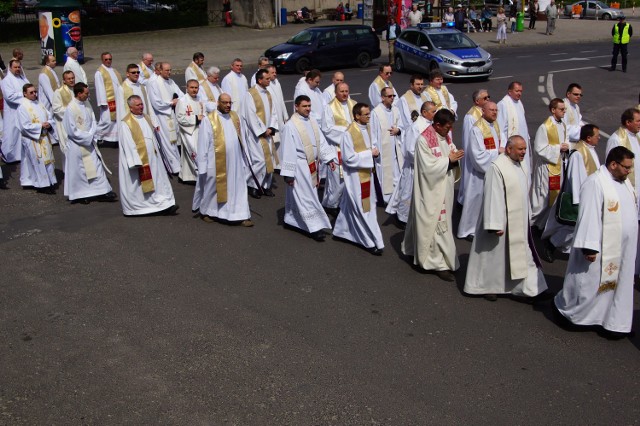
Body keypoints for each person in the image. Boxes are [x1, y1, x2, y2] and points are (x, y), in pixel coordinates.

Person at [554, 146, 637, 339]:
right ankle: (573, 316)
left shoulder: (624, 182)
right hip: (600, 247)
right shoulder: (596, 183)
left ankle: (615, 322)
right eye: (626, 167)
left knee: (619, 286)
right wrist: (589, 246)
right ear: (613, 164)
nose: (629, 171)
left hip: (623, 249)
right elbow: (588, 215)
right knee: (589, 285)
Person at [464, 136, 548, 301]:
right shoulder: (497, 167)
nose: (524, 152)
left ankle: (532, 288)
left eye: (525, 149)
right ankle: (486, 286)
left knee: (524, 254)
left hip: (518, 220)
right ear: (509, 149)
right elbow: (492, 196)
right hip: (501, 221)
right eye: (520, 149)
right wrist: (494, 224)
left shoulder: (520, 163)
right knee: (493, 257)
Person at [402, 109, 463, 281]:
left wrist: (455, 156)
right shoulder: (423, 140)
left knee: (439, 224)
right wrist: (449, 161)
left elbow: (449, 151)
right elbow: (427, 167)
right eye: (447, 127)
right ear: (437, 125)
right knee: (435, 224)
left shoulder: (446, 136)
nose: (449, 131)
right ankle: (436, 263)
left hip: (444, 187)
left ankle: (415, 250)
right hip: (430, 190)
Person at [281, 95, 336, 241]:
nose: (308, 109)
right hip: (299, 167)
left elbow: (321, 142)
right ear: (296, 107)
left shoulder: (312, 121)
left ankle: (291, 219)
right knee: (307, 198)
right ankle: (314, 227)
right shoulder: (290, 125)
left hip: (312, 165)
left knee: (299, 195)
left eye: (309, 106)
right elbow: (287, 150)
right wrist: (289, 174)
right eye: (304, 106)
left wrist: (329, 158)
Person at [541, 124, 601, 259]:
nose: (599, 138)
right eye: (597, 136)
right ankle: (551, 244)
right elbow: (575, 178)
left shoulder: (590, 149)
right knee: (573, 227)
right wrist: (578, 200)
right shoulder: (578, 153)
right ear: (589, 137)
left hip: (590, 195)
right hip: (579, 196)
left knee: (580, 227)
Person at [333, 102, 384, 255]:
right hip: (355, 176)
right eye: (366, 114)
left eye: (369, 113)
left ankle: (341, 231)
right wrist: (370, 154)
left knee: (355, 205)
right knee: (362, 208)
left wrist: (376, 152)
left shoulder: (367, 127)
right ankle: (368, 241)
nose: (369, 116)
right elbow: (348, 158)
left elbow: (373, 144)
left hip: (367, 173)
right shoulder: (348, 133)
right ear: (357, 116)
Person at [195, 93, 253, 225]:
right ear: (218, 103)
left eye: (229, 103)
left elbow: (243, 137)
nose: (228, 105)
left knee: (238, 187)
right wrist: (202, 165)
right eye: (225, 103)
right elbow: (203, 144)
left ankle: (241, 214)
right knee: (213, 187)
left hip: (236, 160)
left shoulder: (235, 117)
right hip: (216, 160)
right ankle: (207, 211)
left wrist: (246, 158)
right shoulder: (209, 120)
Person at [119, 95, 178, 216]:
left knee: (158, 179)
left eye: (141, 104)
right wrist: (135, 161)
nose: (141, 107)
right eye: (138, 105)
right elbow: (128, 144)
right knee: (142, 185)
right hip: (140, 161)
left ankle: (163, 203)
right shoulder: (126, 123)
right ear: (130, 107)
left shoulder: (146, 117)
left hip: (153, 158)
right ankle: (142, 207)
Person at [63, 83, 117, 204]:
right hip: (77, 145)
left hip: (89, 142)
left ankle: (102, 191)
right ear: (79, 94)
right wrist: (88, 136)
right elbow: (71, 130)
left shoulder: (86, 103)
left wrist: (93, 133)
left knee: (96, 167)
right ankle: (80, 195)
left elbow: (93, 120)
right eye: (86, 93)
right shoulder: (70, 109)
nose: (88, 95)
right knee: (80, 171)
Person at [457, 102, 504, 241]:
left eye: (496, 110)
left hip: (492, 169)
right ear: (483, 111)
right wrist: (498, 153)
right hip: (479, 173)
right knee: (475, 200)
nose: (495, 113)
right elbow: (478, 155)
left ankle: (486, 226)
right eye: (491, 110)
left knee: (489, 200)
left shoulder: (494, 125)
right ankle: (468, 230)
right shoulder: (477, 129)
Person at [386, 101, 437, 226]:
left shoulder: (432, 125)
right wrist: (427, 160)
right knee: (408, 192)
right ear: (424, 112)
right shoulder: (416, 127)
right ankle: (402, 218)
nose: (436, 114)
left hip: (427, 165)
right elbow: (409, 150)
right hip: (414, 167)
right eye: (433, 111)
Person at [531, 98, 570, 231]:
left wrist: (566, 147)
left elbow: (566, 140)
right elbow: (539, 149)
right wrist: (559, 148)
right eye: (561, 109)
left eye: (564, 109)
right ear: (553, 110)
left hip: (559, 165)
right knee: (543, 198)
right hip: (547, 168)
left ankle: (547, 225)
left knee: (555, 197)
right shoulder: (545, 127)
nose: (564, 111)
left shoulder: (562, 124)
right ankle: (533, 224)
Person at [242, 69, 279, 199]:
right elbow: (250, 114)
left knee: (270, 159)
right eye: (267, 78)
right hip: (255, 135)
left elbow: (273, 112)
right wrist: (262, 130)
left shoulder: (268, 93)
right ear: (260, 80)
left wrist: (272, 127)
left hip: (267, 132)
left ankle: (265, 185)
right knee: (260, 161)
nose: (270, 80)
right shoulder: (250, 94)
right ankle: (252, 185)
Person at [321, 82, 355, 213]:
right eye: (342, 91)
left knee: (349, 178)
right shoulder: (329, 108)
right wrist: (346, 132)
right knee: (337, 179)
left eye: (347, 91)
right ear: (336, 93)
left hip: (352, 147)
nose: (345, 94)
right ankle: (332, 205)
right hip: (336, 147)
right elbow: (327, 129)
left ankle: (341, 202)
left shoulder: (353, 104)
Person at [17, 83, 57, 193]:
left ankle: (50, 181)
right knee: (38, 161)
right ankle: (42, 185)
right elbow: (24, 126)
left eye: (35, 92)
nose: (34, 94)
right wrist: (40, 126)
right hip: (33, 139)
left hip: (44, 137)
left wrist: (49, 123)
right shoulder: (22, 107)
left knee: (48, 160)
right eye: (31, 92)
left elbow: (49, 116)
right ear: (25, 94)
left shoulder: (39, 103)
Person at [147, 61, 183, 174]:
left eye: (170, 70)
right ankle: (174, 167)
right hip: (163, 116)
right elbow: (156, 102)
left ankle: (180, 163)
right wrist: (171, 103)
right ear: (160, 71)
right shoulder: (154, 83)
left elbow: (180, 94)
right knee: (168, 141)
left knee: (175, 139)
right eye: (167, 70)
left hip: (173, 114)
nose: (169, 72)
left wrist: (181, 100)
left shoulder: (170, 81)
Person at [458, 89, 490, 205]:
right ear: (477, 101)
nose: (488, 99)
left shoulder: (486, 112)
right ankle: (465, 201)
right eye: (485, 98)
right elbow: (467, 138)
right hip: (473, 154)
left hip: (485, 152)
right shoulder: (470, 117)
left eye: (488, 97)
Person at [371, 86, 403, 205]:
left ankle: (397, 198)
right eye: (389, 96)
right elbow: (372, 132)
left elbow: (402, 125)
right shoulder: (376, 112)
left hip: (396, 148)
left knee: (397, 173)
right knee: (386, 175)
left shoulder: (395, 109)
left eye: (393, 96)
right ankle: (388, 200)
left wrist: (398, 130)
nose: (392, 98)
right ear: (383, 97)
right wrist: (374, 148)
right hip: (383, 150)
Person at [497, 81, 531, 170]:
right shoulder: (503, 104)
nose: (519, 93)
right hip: (512, 145)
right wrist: (504, 146)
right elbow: (499, 128)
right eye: (517, 91)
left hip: (522, 143)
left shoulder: (519, 103)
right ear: (509, 91)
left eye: (521, 91)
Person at [175, 79, 204, 183]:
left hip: (200, 130)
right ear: (187, 88)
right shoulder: (182, 101)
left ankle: (186, 176)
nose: (194, 90)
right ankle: (194, 176)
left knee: (193, 154)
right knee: (193, 153)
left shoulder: (200, 99)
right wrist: (196, 119)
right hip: (189, 132)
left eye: (196, 88)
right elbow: (180, 118)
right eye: (192, 87)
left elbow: (203, 113)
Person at [1, 60, 30, 162]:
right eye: (15, 67)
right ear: (10, 68)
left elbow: (30, 89)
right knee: (12, 134)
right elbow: (9, 96)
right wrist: (24, 96)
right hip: (13, 111)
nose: (17, 69)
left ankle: (23, 154)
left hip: (24, 111)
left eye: (19, 67)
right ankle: (9, 156)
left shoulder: (23, 78)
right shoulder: (6, 81)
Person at [94, 52, 122, 143]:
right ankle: (96, 136)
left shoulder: (114, 70)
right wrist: (102, 102)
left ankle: (114, 139)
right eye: (106, 59)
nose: (108, 61)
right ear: (102, 60)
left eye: (110, 59)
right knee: (106, 122)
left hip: (116, 100)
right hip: (107, 101)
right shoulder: (99, 72)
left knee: (115, 121)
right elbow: (99, 87)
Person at [52, 70, 75, 156]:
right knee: (67, 149)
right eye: (69, 79)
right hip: (64, 124)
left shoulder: (77, 89)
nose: (71, 80)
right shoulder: (58, 92)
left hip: (77, 123)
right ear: (64, 80)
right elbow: (56, 109)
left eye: (73, 78)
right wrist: (72, 111)